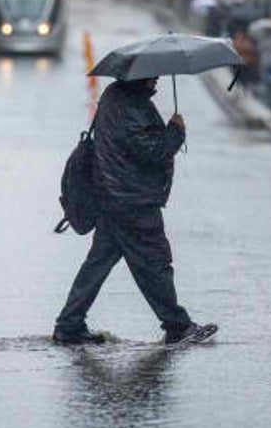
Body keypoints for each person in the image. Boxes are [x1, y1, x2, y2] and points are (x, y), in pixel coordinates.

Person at [53, 76, 217, 347]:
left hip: (115, 197)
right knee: (155, 263)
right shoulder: (130, 106)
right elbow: (153, 151)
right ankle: (178, 326)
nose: (158, 79)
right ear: (138, 76)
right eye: (153, 75)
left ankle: (69, 324)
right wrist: (175, 131)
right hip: (132, 201)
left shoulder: (119, 96)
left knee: (97, 265)